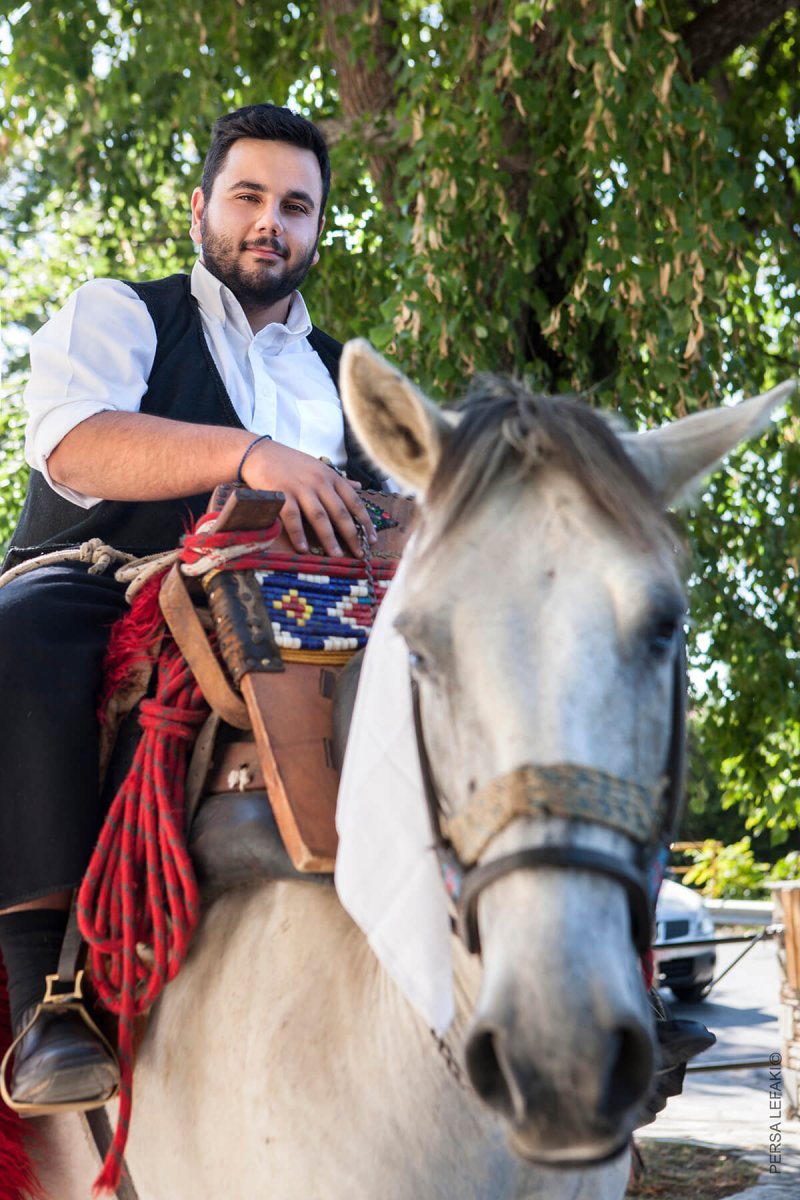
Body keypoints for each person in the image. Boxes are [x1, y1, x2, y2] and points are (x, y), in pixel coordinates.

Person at [0, 102, 383, 1113]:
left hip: (293, 607)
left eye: (296, 206)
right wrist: (250, 456)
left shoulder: (341, 371)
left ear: (314, 230)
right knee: (19, 636)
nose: (272, 222)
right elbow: (79, 444)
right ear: (200, 207)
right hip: (106, 574)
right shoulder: (123, 309)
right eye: (249, 196)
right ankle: (50, 994)